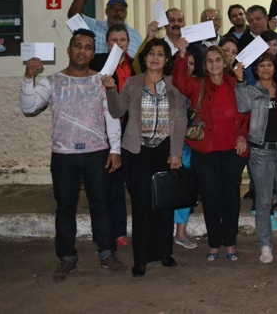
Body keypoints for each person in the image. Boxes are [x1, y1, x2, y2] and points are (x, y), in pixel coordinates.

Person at [20, 29, 125, 282]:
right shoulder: (52, 81)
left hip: (97, 153)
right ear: (69, 50)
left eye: (88, 47)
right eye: (77, 46)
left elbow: (111, 116)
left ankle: (107, 252)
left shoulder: (101, 80)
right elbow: (28, 106)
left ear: (92, 53)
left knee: (101, 205)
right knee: (65, 207)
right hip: (63, 155)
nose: (82, 51)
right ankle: (67, 257)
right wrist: (28, 78)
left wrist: (115, 149)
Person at [104, 38, 187, 277]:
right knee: (141, 206)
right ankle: (140, 259)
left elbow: (181, 119)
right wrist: (111, 90)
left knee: (164, 205)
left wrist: (176, 152)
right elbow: (117, 111)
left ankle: (164, 253)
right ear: (144, 58)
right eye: (151, 53)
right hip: (137, 152)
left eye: (160, 54)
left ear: (166, 60)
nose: (155, 57)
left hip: (165, 151)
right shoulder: (133, 83)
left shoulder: (174, 85)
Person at [172, 42, 249, 262]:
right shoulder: (198, 85)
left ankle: (231, 243)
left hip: (232, 150)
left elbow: (245, 113)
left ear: (225, 62)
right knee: (210, 197)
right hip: (205, 151)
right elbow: (179, 81)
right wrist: (182, 54)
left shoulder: (235, 83)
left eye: (218, 59)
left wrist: (242, 135)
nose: (214, 64)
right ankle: (215, 243)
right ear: (205, 65)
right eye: (209, 60)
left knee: (231, 198)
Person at [236, 53, 277, 264]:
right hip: (262, 151)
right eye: (261, 65)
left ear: (275, 68)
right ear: (255, 69)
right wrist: (239, 81)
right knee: (263, 202)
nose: (265, 69)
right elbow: (242, 106)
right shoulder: (250, 90)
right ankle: (265, 245)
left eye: (269, 65)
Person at [89, 24, 134, 250]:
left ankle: (119, 230)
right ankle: (109, 232)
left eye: (122, 40)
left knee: (121, 182)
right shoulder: (97, 64)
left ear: (128, 43)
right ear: (106, 43)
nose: (118, 44)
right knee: (106, 183)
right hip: (104, 129)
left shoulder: (135, 64)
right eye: (113, 40)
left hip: (130, 129)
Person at [66, 0, 143, 57]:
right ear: (107, 12)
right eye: (115, 9)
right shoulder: (93, 26)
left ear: (126, 14)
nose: (118, 13)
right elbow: (73, 17)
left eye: (122, 10)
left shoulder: (135, 36)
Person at [173, 53, 199, 250]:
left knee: (185, 190)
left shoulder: (198, 86)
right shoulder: (167, 85)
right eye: (184, 63)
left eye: (192, 63)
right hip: (169, 144)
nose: (188, 66)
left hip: (192, 145)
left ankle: (180, 233)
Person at [187, 8, 223, 77]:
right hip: (199, 85)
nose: (212, 22)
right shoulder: (192, 45)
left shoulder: (226, 43)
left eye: (215, 19)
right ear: (201, 22)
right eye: (208, 19)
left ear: (220, 23)